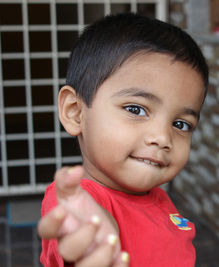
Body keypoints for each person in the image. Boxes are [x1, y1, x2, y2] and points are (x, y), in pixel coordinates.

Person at [37, 12, 208, 267]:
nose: (162, 137)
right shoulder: (81, 200)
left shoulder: (159, 199)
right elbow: (85, 225)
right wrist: (93, 241)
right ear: (75, 112)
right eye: (136, 109)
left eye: (180, 124)